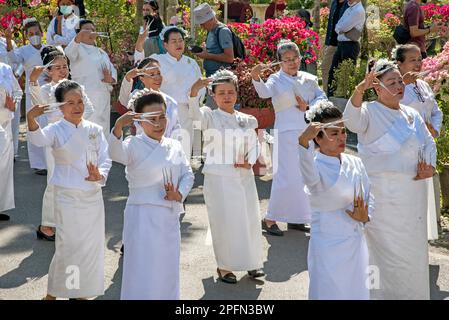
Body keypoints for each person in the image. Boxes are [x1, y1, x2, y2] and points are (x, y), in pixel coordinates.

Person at [343, 59, 436, 299]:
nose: (398, 86)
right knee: (382, 252)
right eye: (391, 82)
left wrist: (430, 167)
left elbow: (428, 142)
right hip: (382, 197)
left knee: (411, 252)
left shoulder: (412, 114)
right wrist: (358, 90)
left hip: (412, 195)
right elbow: (351, 122)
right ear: (377, 87)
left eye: (399, 81)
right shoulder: (369, 111)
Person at [27, 80, 111, 300]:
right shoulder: (55, 129)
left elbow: (105, 158)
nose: (77, 107)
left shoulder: (95, 129)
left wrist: (99, 174)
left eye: (80, 101)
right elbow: (38, 140)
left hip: (92, 195)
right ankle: (54, 293)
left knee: (90, 248)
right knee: (69, 248)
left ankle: (82, 292)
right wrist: (31, 119)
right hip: (67, 196)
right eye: (71, 102)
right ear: (60, 106)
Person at [109, 90, 194, 300]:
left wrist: (179, 193)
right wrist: (118, 126)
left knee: (167, 267)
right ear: (138, 120)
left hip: (169, 216)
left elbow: (187, 173)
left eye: (162, 117)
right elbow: (114, 154)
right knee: (142, 268)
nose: (158, 124)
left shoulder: (174, 144)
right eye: (151, 119)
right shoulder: (132, 145)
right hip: (141, 215)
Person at [189, 70, 265, 283]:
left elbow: (255, 144)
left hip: (243, 175)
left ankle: (252, 263)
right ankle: (225, 266)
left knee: (248, 220)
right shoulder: (209, 116)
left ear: (236, 94)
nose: (226, 96)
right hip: (218, 176)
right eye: (221, 92)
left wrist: (249, 160)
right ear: (213, 95)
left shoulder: (247, 119)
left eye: (230, 92)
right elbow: (194, 114)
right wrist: (195, 91)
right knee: (224, 222)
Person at [252, 40, 327, 236]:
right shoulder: (276, 80)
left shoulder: (309, 78)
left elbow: (322, 98)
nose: (292, 63)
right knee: (285, 176)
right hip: (285, 133)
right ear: (279, 62)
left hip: (307, 132)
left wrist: (308, 108)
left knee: (304, 174)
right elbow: (263, 92)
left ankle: (297, 218)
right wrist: (255, 76)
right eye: (287, 60)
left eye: (295, 58)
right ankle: (269, 218)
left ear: (300, 59)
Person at [299, 101, 372, 300]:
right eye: (333, 134)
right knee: (329, 290)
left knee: (356, 289)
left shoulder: (355, 162)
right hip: (327, 241)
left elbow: (368, 194)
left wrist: (366, 214)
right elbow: (310, 178)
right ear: (318, 139)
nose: (341, 138)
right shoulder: (315, 166)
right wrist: (303, 143)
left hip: (355, 239)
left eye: (342, 132)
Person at [29, 46, 94, 241]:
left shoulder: (76, 87)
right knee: (55, 180)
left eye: (64, 66)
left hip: (76, 136)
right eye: (57, 67)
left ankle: (70, 221)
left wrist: (73, 118)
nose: (62, 70)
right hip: (55, 138)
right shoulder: (46, 89)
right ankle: (47, 225)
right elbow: (40, 106)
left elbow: (89, 109)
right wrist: (33, 80)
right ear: (48, 70)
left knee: (76, 176)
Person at [394, 44, 443, 240]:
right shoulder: (393, 85)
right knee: (409, 190)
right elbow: (389, 110)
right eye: (412, 60)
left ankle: (423, 235)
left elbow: (435, 111)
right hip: (406, 146)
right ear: (400, 63)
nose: (417, 63)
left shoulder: (423, 84)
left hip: (426, 145)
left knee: (425, 191)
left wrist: (435, 129)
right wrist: (401, 85)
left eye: (419, 59)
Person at [135, 26, 204, 159]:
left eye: (180, 40)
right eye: (174, 41)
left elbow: (200, 87)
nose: (178, 44)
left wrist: (194, 102)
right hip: (163, 112)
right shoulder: (157, 59)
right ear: (165, 45)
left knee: (183, 154)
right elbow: (140, 64)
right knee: (163, 153)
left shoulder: (192, 63)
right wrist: (140, 43)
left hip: (186, 112)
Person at [5, 17, 50, 174]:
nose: (34, 35)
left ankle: (52, 160)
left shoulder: (50, 48)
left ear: (42, 33)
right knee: (34, 124)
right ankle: (39, 164)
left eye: (37, 32)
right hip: (32, 91)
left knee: (50, 124)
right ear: (27, 35)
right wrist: (9, 40)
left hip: (50, 91)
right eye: (31, 33)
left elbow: (60, 63)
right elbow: (13, 59)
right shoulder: (24, 50)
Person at [65, 19, 117, 135]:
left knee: (103, 131)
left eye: (93, 30)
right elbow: (68, 52)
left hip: (103, 96)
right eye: (87, 30)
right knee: (88, 131)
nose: (91, 32)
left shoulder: (101, 52)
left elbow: (112, 70)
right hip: (86, 97)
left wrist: (111, 79)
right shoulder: (77, 48)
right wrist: (79, 37)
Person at [118, 57, 181, 139]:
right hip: (141, 148)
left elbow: (176, 131)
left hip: (165, 148)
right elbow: (124, 100)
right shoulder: (136, 96)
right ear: (142, 78)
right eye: (152, 74)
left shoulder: (171, 102)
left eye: (159, 73)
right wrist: (128, 77)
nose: (157, 77)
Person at [193, 3, 234, 109]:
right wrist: (204, 51)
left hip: (221, 81)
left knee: (211, 112)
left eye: (202, 23)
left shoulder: (223, 31)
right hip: (212, 81)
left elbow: (229, 58)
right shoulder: (211, 31)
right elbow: (214, 52)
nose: (201, 26)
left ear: (211, 19)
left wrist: (207, 55)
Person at [327, 0, 365, 96]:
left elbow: (342, 27)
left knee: (346, 76)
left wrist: (341, 29)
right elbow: (337, 27)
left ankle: (346, 100)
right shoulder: (349, 8)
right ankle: (331, 97)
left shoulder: (358, 10)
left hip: (350, 46)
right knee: (333, 73)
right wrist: (341, 29)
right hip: (342, 45)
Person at [0, 62, 21, 222]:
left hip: (5, 123)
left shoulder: (5, 68)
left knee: (4, 168)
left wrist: (12, 104)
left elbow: (17, 91)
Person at [322, 0, 349, 91]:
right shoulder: (334, 3)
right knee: (325, 68)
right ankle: (326, 95)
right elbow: (331, 24)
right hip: (332, 44)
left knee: (343, 72)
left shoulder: (350, 3)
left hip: (345, 44)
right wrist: (327, 43)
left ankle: (340, 96)